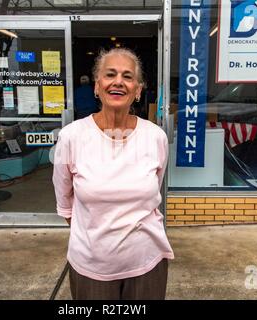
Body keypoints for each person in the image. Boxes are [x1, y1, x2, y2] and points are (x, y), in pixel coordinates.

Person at [52, 48, 174, 300]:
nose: (118, 81)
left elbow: (154, 190)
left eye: (128, 76)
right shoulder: (72, 137)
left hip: (147, 264)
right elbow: (66, 207)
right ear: (97, 86)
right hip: (91, 267)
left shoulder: (155, 137)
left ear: (138, 90)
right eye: (110, 74)